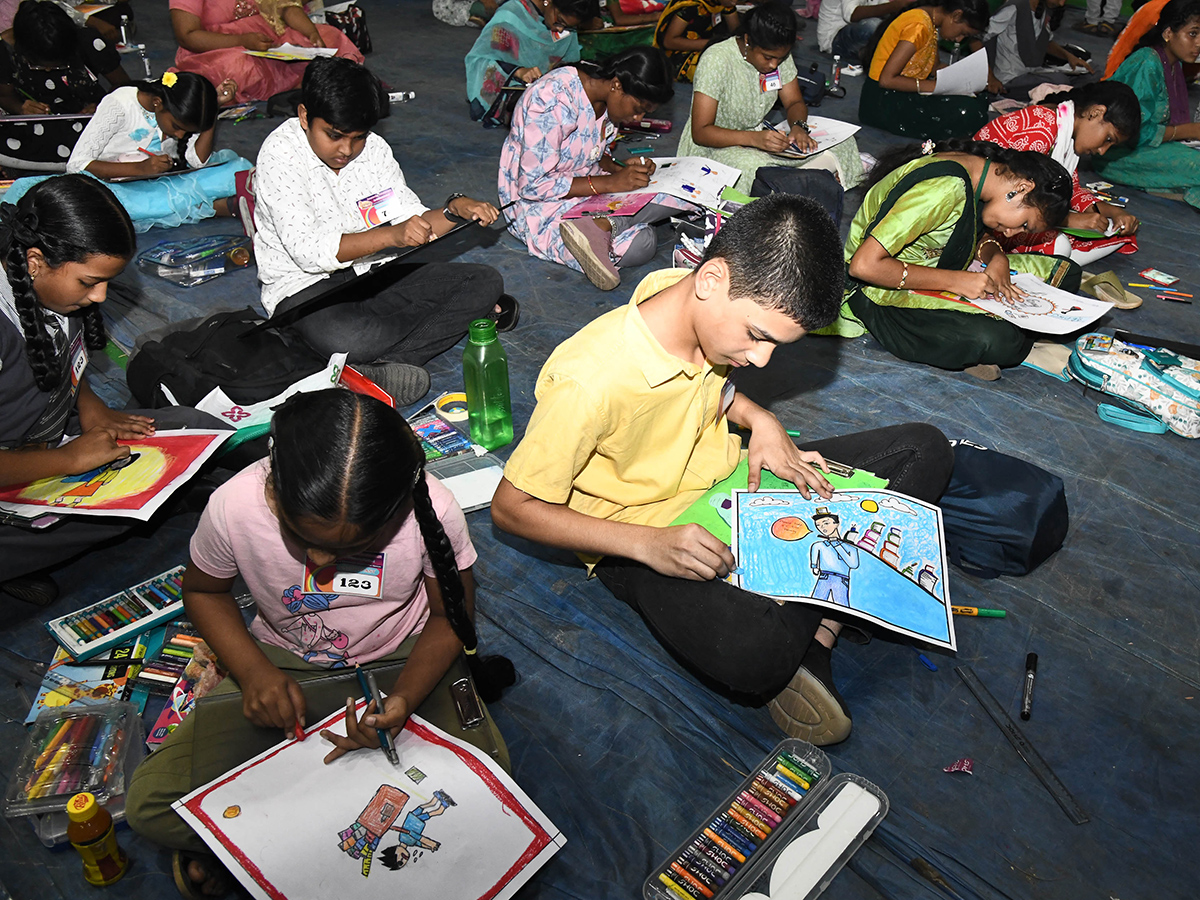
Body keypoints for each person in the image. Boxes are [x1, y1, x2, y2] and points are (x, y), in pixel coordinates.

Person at [490, 193, 955, 745]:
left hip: (738, 485)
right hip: (649, 533)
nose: (762, 360)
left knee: (926, 448)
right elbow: (511, 508)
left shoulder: (687, 307)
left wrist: (761, 421)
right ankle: (828, 608)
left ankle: (816, 628)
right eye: (759, 337)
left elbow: (716, 390)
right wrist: (646, 544)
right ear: (710, 280)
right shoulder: (591, 381)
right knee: (751, 655)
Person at [124, 388, 512, 898]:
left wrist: (404, 701)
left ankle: (257, 850)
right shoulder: (235, 507)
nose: (322, 562)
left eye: (355, 550)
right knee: (149, 807)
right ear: (276, 487)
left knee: (491, 797)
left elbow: (449, 621)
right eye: (301, 536)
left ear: (396, 508)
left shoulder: (431, 509)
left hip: (405, 656)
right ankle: (291, 845)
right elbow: (202, 591)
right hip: (288, 663)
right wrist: (255, 673)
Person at [0, 175, 227, 606]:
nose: (101, 296)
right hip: (21, 462)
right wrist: (66, 460)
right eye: (89, 282)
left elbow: (64, 357)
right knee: (121, 500)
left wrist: (92, 408)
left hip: (46, 435)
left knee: (193, 428)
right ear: (34, 261)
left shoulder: (49, 289)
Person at [254, 57, 511, 406]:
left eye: (357, 138)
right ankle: (373, 357)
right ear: (303, 116)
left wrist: (454, 211)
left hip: (371, 275)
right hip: (303, 290)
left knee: (484, 282)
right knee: (351, 335)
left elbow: (411, 221)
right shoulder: (280, 153)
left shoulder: (373, 150)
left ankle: (370, 372)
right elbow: (310, 252)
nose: (346, 150)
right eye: (334, 135)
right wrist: (391, 236)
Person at [819, 139, 1079, 379]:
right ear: (1022, 189)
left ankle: (1015, 333)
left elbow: (966, 229)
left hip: (947, 266)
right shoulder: (943, 190)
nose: (1012, 233)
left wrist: (996, 255)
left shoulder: (979, 173)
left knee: (1066, 272)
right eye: (1024, 224)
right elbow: (864, 266)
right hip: (881, 290)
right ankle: (1007, 337)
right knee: (998, 339)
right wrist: (955, 281)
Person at [499, 46, 682, 291]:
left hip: (585, 187)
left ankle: (602, 226)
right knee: (640, 243)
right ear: (617, 85)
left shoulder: (606, 99)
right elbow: (533, 186)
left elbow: (595, 152)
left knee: (652, 227)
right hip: (539, 205)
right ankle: (601, 227)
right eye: (639, 108)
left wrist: (619, 169)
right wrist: (610, 184)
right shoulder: (552, 99)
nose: (638, 118)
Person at [2, 72, 254, 233]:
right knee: (121, 207)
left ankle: (222, 204)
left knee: (236, 169)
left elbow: (197, 162)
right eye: (176, 128)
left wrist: (211, 113)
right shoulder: (120, 104)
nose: (178, 135)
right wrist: (139, 169)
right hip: (113, 185)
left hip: (162, 178)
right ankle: (222, 205)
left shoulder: (174, 107)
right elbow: (77, 164)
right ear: (157, 104)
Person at [676, 1, 864, 192]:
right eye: (767, 57)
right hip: (715, 147)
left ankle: (794, 184)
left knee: (844, 143)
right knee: (753, 169)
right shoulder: (716, 59)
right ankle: (805, 182)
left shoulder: (778, 54)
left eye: (780, 59)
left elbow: (794, 102)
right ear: (748, 40)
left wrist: (798, 126)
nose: (774, 65)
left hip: (758, 138)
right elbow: (701, 132)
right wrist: (754, 139)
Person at [975, 81, 1142, 265]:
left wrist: (1113, 212)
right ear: (1096, 113)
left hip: (1018, 213)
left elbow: (1071, 189)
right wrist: (1070, 221)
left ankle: (1054, 262)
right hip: (986, 215)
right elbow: (1016, 201)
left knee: (1112, 234)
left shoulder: (1066, 136)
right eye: (1108, 139)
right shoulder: (1042, 129)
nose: (1102, 151)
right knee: (1060, 246)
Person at [0, 1, 132, 171]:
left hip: (87, 118)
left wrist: (104, 106)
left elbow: (124, 85)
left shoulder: (87, 40)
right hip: (32, 124)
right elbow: (4, 95)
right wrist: (21, 108)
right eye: (39, 65)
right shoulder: (5, 50)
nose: (48, 70)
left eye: (57, 65)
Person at [1093, 0, 1200, 209]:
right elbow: (1131, 132)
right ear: (1168, 33)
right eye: (1193, 34)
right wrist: (1190, 130)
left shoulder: (1172, 63)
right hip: (1118, 155)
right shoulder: (1147, 63)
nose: (1199, 44)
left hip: (1152, 148)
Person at [169, 0, 364, 105]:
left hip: (270, 38)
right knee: (239, 67)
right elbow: (187, 35)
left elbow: (286, 7)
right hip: (218, 47)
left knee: (331, 39)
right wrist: (242, 41)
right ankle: (304, 82)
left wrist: (312, 34)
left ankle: (302, 81)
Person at [859, 0, 992, 139]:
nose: (959, 39)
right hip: (883, 101)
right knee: (968, 111)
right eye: (963, 33)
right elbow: (887, 80)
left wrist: (964, 81)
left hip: (900, 93)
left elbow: (934, 68)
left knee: (979, 99)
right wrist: (936, 86)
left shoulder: (929, 23)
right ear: (956, 16)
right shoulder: (919, 25)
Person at [465, 0, 596, 121]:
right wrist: (518, 71)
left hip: (548, 91)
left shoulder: (565, 26)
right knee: (535, 111)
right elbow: (478, 61)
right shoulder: (511, 15)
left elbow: (570, 66)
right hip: (512, 86)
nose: (560, 29)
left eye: (568, 27)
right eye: (559, 21)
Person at [976, 0, 1095, 98]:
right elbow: (976, 39)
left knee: (1091, 73)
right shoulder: (1014, 8)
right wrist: (990, 78)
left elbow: (1046, 43)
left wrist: (1069, 57)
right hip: (1010, 79)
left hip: (1034, 71)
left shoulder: (1042, 8)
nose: (1061, 4)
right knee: (1060, 81)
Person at [653, 0, 739, 82]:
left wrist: (730, 7)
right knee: (719, 68)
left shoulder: (720, 4)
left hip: (707, 48)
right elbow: (669, 42)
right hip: (680, 54)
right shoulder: (690, 5)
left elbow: (736, 33)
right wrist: (712, 43)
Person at [817, 0, 908, 62]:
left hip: (860, 28)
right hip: (834, 38)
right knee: (873, 26)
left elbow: (882, 6)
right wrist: (894, 6)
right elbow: (851, 15)